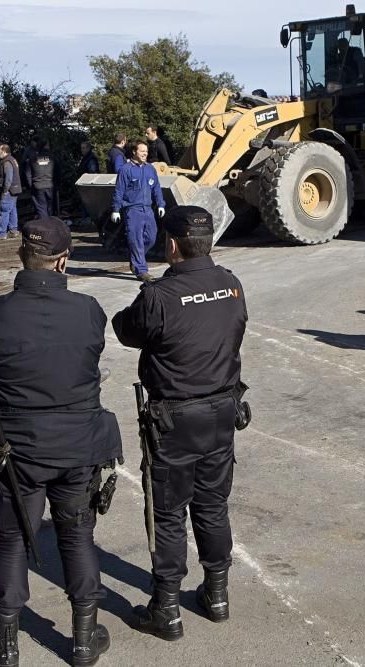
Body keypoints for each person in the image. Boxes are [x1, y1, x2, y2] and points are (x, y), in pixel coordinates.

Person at [0, 216, 122, 666]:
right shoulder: (90, 309)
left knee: (12, 537)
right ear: (63, 261)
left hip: (14, 449)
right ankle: (82, 638)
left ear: (22, 255)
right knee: (77, 536)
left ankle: (5, 644)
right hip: (78, 445)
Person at [111, 205, 248, 642]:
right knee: (212, 505)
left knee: (168, 513)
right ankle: (218, 594)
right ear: (208, 243)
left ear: (171, 245)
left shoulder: (159, 296)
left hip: (174, 419)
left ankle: (166, 607)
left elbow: (126, 331)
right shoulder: (230, 285)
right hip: (223, 412)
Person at [110, 140, 165, 281]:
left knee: (151, 238)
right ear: (134, 151)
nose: (145, 154)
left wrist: (160, 204)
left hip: (147, 209)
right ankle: (141, 271)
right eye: (142, 151)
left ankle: (135, 259)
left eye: (146, 152)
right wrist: (116, 209)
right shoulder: (125, 170)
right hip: (132, 210)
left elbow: (156, 188)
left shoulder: (150, 169)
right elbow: (119, 190)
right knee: (136, 240)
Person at [24, 137, 59, 218]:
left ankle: (45, 226)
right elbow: (58, 172)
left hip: (38, 186)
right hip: (50, 185)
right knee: (50, 208)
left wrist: (31, 185)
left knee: (41, 208)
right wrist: (56, 184)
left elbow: (28, 174)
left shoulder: (32, 159)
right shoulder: (53, 158)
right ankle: (49, 226)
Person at [0, 143, 22, 239]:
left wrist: (5, 190)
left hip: (9, 190)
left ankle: (2, 233)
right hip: (15, 189)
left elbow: (8, 178)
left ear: (4, 151)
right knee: (12, 210)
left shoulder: (6, 162)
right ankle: (13, 230)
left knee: (4, 211)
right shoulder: (12, 159)